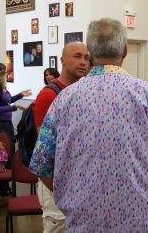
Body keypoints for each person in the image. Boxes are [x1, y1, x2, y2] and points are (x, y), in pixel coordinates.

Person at [29, 18, 148, 232]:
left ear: (91, 54)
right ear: (124, 50)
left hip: (83, 223)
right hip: (140, 223)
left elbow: (41, 164)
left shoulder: (63, 100)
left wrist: (68, 195)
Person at [33, 42, 90, 233]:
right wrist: (60, 189)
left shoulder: (84, 93)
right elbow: (45, 149)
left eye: (86, 57)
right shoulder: (48, 95)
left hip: (79, 181)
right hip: (56, 181)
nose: (83, 62)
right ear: (62, 60)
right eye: (77, 56)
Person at [0, 62, 31, 195]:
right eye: (4, 73)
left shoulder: (2, 87)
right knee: (2, 155)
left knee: (8, 154)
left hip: (6, 124)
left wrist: (20, 95)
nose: (6, 75)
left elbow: (7, 100)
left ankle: (4, 182)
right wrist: (15, 107)